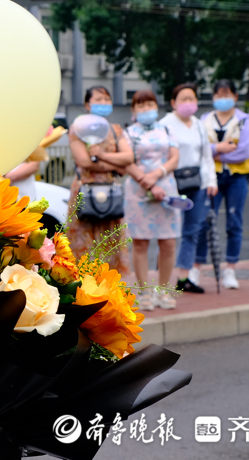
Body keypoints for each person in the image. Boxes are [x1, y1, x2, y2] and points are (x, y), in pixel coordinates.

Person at [66, 86, 133, 277]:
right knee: (83, 245)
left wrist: (101, 155)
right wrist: (115, 164)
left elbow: (128, 159)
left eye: (106, 99)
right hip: (85, 190)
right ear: (88, 105)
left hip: (110, 192)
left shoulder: (115, 129)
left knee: (111, 244)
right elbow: (84, 161)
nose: (103, 103)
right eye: (98, 99)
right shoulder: (77, 129)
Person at [124, 90, 181, 310]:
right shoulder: (128, 134)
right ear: (133, 110)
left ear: (157, 107)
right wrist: (147, 182)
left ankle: (164, 291)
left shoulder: (167, 129)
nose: (146, 109)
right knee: (140, 242)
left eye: (150, 104)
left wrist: (157, 175)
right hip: (138, 191)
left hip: (166, 190)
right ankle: (144, 292)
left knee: (168, 242)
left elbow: (174, 158)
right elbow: (128, 163)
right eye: (140, 105)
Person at [159, 83, 218, 293]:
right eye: (183, 99)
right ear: (173, 102)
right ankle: (163, 278)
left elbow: (207, 156)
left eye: (192, 99)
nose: (188, 103)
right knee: (168, 232)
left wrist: (211, 181)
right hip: (172, 184)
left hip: (198, 183)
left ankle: (184, 277)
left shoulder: (199, 125)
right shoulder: (165, 124)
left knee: (193, 230)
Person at [195, 79, 249, 290]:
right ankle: (196, 268)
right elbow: (200, 148)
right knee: (204, 221)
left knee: (234, 222)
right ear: (213, 97)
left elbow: (243, 152)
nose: (222, 98)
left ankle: (230, 269)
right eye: (218, 95)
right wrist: (220, 148)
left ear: (236, 97)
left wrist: (215, 151)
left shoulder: (244, 120)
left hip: (237, 177)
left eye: (227, 94)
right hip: (211, 177)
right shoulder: (204, 120)